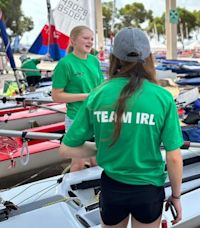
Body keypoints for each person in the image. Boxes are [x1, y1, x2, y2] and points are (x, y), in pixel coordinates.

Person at [59, 27, 183, 228]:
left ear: (114, 58)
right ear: (148, 57)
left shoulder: (97, 95)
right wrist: (176, 196)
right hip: (148, 189)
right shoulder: (163, 97)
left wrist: (99, 147)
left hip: (112, 187)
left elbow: (66, 148)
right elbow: (174, 156)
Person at [52, 25, 104, 172]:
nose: (90, 42)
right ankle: (73, 195)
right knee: (79, 163)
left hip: (96, 117)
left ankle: (99, 193)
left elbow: (100, 86)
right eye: (85, 38)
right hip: (76, 118)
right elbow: (56, 96)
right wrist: (85, 96)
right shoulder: (65, 64)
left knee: (97, 161)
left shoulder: (94, 61)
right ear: (73, 41)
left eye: (92, 39)